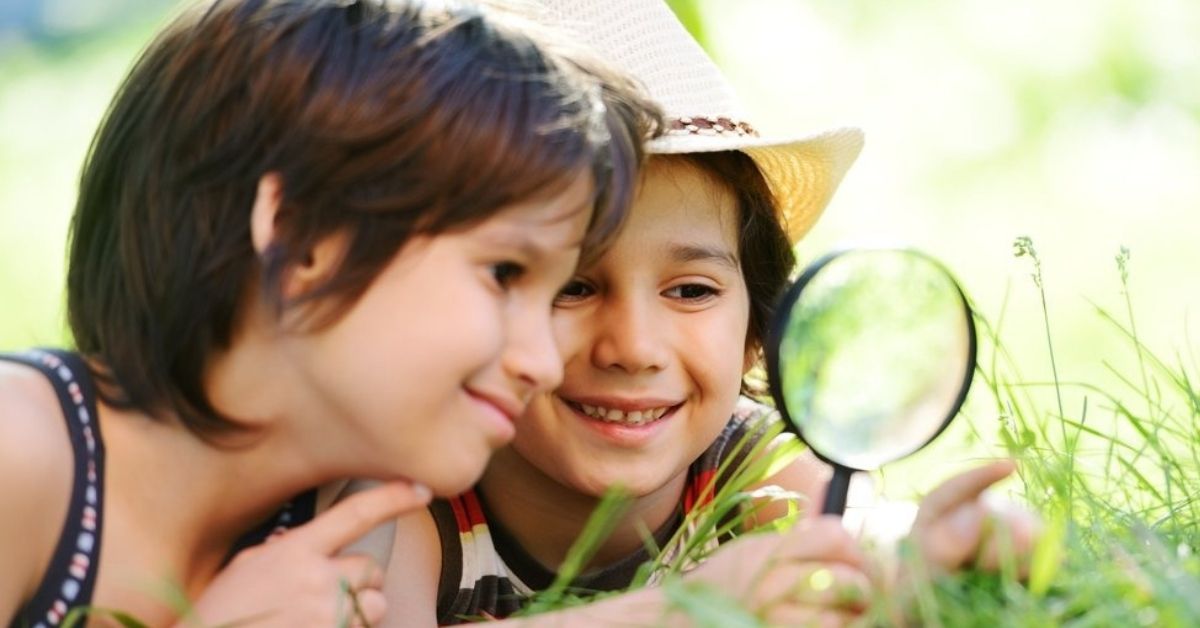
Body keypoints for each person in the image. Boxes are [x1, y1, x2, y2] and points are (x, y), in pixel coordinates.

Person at [371, 0, 1040, 625]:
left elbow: (858, 539)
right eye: (571, 287)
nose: (634, 348)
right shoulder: (410, 490)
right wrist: (684, 608)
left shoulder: (744, 466)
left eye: (691, 291)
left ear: (757, 333)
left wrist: (925, 547)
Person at [0, 0, 663, 625]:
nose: (544, 363)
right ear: (301, 239)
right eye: (504, 274)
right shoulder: (23, 452)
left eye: (554, 297)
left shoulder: (346, 514)